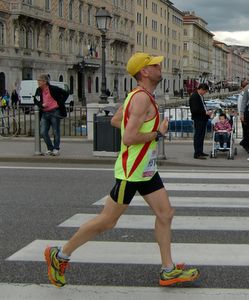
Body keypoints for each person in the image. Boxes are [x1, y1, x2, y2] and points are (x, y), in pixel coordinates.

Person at [43, 52, 200, 288]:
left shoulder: (139, 96)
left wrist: (145, 129)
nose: (160, 67)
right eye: (156, 65)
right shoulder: (141, 99)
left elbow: (117, 120)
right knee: (107, 221)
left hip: (146, 169)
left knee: (165, 214)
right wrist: (157, 133)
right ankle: (60, 255)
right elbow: (128, 137)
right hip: (132, 171)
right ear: (145, 72)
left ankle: (167, 270)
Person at [34, 74, 69, 156]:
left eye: (40, 80)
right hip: (44, 113)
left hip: (55, 111)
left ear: (45, 82)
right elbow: (35, 100)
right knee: (43, 132)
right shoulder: (38, 90)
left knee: (56, 131)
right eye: (38, 80)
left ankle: (56, 149)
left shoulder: (53, 88)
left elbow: (66, 93)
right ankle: (50, 148)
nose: (38, 82)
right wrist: (41, 105)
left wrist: (59, 103)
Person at [189, 83, 211, 159]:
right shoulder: (194, 96)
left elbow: (202, 107)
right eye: (205, 91)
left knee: (201, 136)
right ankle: (197, 153)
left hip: (203, 118)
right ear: (201, 89)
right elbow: (194, 110)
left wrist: (207, 112)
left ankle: (200, 151)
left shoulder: (200, 96)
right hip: (198, 119)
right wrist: (205, 112)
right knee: (198, 136)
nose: (205, 93)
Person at [237, 80, 249, 153]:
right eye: (246, 87)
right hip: (244, 116)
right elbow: (239, 107)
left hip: (248, 115)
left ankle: (245, 143)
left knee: (248, 131)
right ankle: (245, 144)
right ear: (243, 87)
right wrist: (241, 116)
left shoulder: (246, 94)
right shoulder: (241, 96)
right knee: (246, 131)